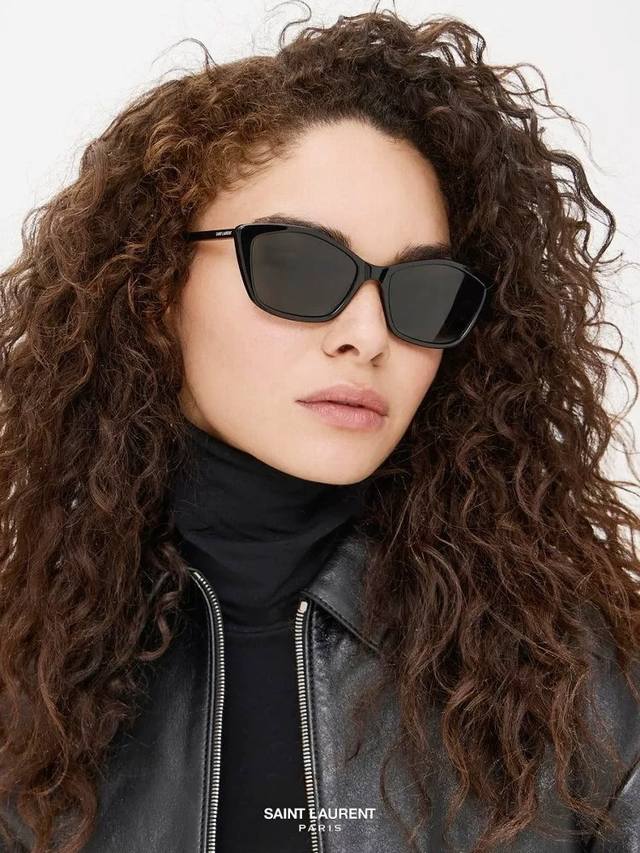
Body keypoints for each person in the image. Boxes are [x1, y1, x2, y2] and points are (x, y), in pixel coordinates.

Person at [0, 7, 638, 853]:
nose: (367, 335)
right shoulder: (25, 673)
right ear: (153, 290)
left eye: (420, 291)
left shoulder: (582, 681)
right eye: (299, 266)